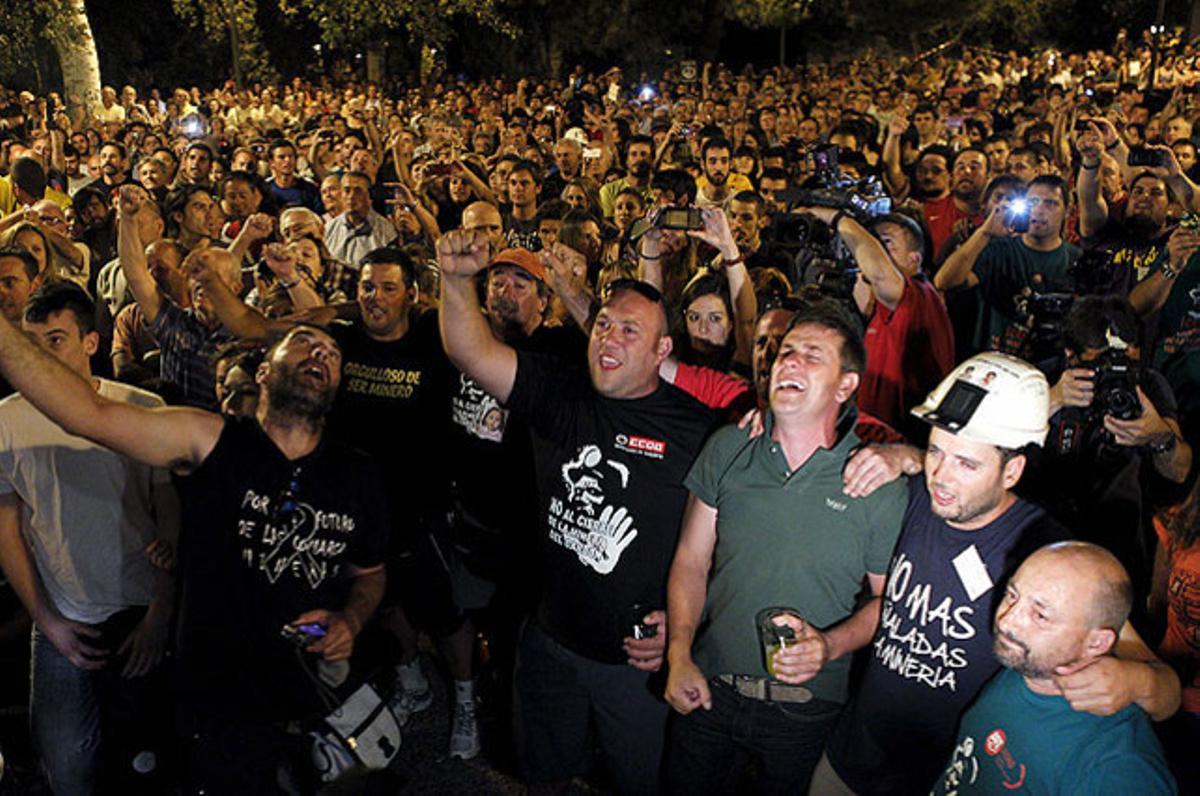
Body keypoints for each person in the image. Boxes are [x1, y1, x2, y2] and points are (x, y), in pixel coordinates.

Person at [0, 283, 387, 792]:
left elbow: (371, 574)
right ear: (264, 371)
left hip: (307, 690)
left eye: (333, 354)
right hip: (216, 695)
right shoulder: (211, 440)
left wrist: (350, 620)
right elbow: (86, 414)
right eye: (305, 343)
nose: (322, 352)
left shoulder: (358, 475)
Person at [815, 352, 1181, 796]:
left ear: (1012, 470)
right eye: (935, 452)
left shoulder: (1044, 548)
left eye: (967, 464)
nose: (942, 478)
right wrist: (903, 454)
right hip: (853, 751)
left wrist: (1134, 681)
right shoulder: (915, 496)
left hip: (940, 772)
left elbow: (1164, 690)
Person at [438, 227, 714, 795]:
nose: (608, 338)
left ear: (662, 351)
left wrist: (684, 629)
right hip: (549, 642)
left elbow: (724, 546)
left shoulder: (696, 429)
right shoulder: (559, 389)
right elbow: (470, 350)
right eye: (604, 324)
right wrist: (457, 280)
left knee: (639, 781)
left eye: (629, 331)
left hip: (634, 665)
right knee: (544, 773)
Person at [663, 300, 907, 793]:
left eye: (812, 355)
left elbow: (890, 603)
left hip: (808, 714)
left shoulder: (876, 479)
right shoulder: (730, 448)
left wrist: (829, 645)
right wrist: (679, 652)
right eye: (786, 352)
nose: (789, 361)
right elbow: (691, 560)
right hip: (710, 688)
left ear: (846, 385)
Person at [0, 282, 177, 794]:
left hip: (138, 611)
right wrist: (48, 622)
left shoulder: (142, 407)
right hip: (63, 617)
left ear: (92, 342)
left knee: (146, 762)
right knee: (67, 766)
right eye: (31, 344)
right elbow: (7, 530)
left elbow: (169, 513)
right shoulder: (7, 421)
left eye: (55, 340)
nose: (41, 357)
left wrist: (159, 615)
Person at [933, 542, 1176, 795]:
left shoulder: (1116, 767)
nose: (1007, 621)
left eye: (1040, 615)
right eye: (1012, 595)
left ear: (1096, 643)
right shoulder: (1031, 665)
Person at [801, 206, 954, 442]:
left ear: (914, 259)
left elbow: (882, 275)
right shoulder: (883, 307)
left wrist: (839, 218)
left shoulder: (921, 296)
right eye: (874, 244)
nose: (876, 252)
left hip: (900, 445)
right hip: (868, 439)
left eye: (887, 243)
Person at [935, 175, 1081, 358]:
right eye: (1033, 202)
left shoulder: (1076, 259)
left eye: (1050, 203)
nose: (1039, 210)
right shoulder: (1000, 250)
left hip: (1052, 366)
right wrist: (985, 232)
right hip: (997, 365)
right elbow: (944, 282)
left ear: (1068, 211)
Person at [324, 171, 398, 267]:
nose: (351, 196)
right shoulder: (329, 229)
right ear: (341, 194)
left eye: (358, 191)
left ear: (369, 196)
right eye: (347, 190)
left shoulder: (385, 231)